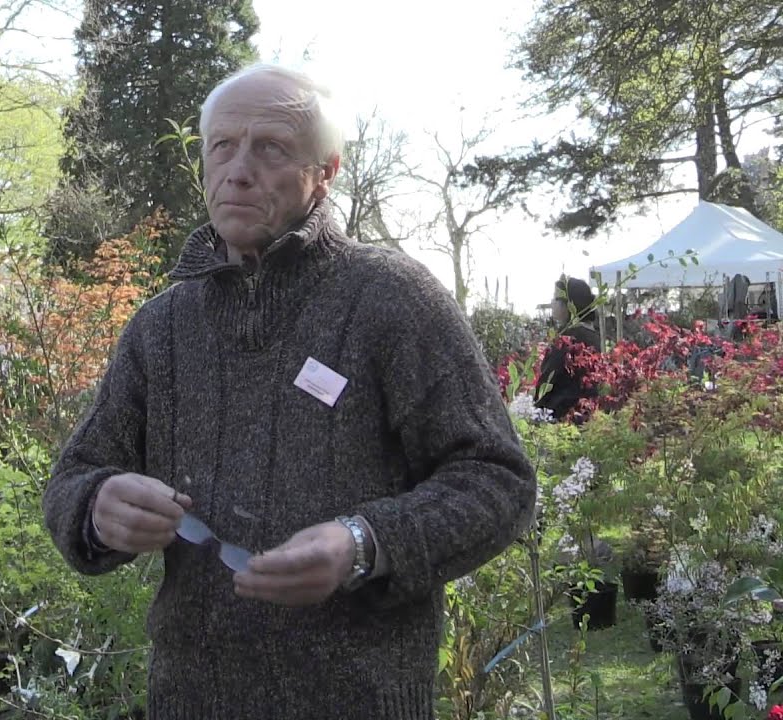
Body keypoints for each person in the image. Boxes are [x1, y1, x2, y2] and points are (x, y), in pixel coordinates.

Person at [42, 63, 536, 720]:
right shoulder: (161, 327)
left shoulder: (392, 300)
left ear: (325, 172)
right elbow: (74, 478)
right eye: (222, 146)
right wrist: (97, 507)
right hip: (190, 702)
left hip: (359, 705)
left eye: (270, 148)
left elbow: (498, 481)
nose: (238, 170)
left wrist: (363, 543)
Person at [534, 276, 602, 422]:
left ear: (569, 305)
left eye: (555, 298)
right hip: (586, 413)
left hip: (560, 415)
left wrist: (534, 408)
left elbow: (548, 379)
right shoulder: (593, 336)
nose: (552, 303)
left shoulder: (567, 338)